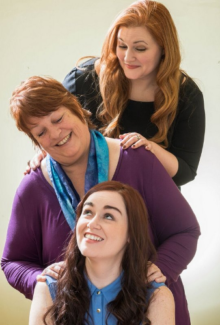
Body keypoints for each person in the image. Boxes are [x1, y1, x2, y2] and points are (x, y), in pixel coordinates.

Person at [1, 76, 200, 325]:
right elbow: (12, 262)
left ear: (75, 107)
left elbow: (185, 230)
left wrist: (158, 270)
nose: (55, 134)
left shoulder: (137, 160)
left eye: (58, 118)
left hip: (147, 312)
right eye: (41, 132)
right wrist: (41, 281)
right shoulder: (33, 187)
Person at [62, 0, 205, 187]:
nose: (128, 58)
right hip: (89, 197)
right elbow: (57, 135)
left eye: (140, 48)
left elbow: (185, 172)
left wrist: (149, 149)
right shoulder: (81, 80)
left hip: (151, 201)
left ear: (163, 49)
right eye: (122, 46)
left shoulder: (187, 96)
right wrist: (45, 155)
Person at [29, 181, 175, 325]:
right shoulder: (49, 287)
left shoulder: (157, 297)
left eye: (108, 216)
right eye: (87, 212)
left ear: (131, 232)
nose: (91, 223)